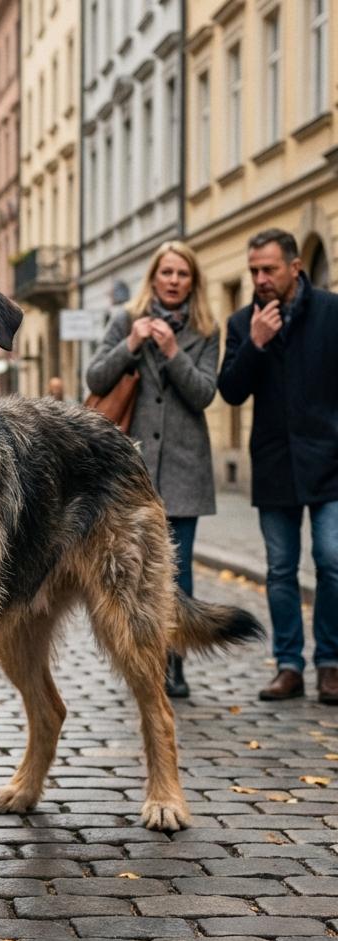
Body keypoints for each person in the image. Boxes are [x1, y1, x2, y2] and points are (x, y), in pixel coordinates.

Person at [86, 240, 220, 699]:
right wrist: (134, 342)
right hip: (132, 467)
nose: (174, 281)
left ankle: (173, 665)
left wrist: (172, 352)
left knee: (177, 571)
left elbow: (204, 394)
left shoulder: (205, 329)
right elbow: (97, 378)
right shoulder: (127, 319)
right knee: (136, 571)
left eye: (183, 274)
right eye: (167, 272)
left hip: (185, 467)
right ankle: (145, 656)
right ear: (154, 277)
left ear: (193, 282)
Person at [218, 228, 338, 706]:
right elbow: (229, 390)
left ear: (295, 268)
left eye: (269, 269)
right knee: (281, 570)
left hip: (330, 462)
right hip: (273, 463)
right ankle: (289, 665)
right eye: (253, 271)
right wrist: (255, 343)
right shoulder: (243, 321)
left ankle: (330, 662)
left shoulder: (332, 312)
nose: (260, 279)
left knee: (332, 562)